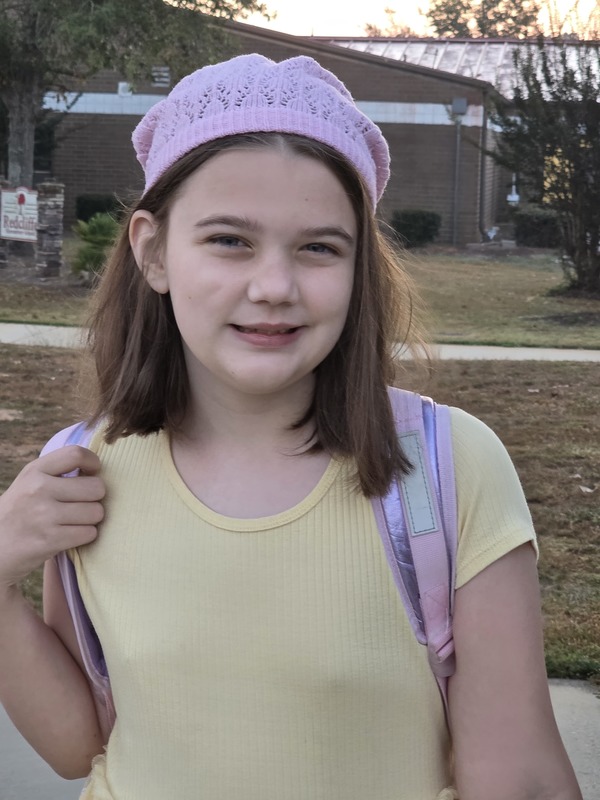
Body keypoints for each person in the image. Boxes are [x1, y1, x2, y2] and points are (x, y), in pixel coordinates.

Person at [0, 54, 582, 800]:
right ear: (153, 250)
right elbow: (78, 744)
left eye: (317, 247)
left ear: (357, 267)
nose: (274, 287)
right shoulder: (83, 473)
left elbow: (521, 778)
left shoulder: (448, 467)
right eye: (229, 241)